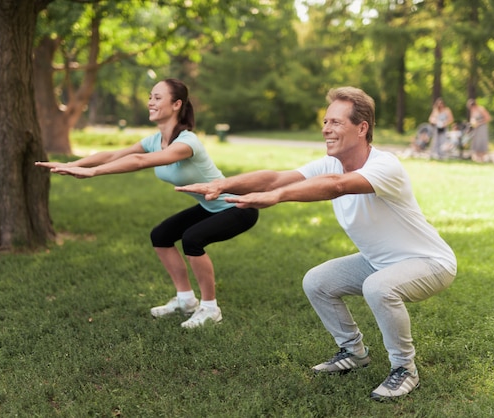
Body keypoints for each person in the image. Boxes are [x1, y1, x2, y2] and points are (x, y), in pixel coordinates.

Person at [177, 87, 457, 400]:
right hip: (379, 261)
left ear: (362, 127)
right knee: (317, 281)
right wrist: (222, 183)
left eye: (335, 122)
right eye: (325, 121)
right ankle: (353, 352)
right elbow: (276, 179)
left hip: (430, 262)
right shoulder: (330, 164)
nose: (325, 128)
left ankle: (405, 369)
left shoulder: (384, 166)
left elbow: (336, 187)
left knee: (378, 287)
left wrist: (279, 197)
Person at [35, 78, 259, 328]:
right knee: (161, 236)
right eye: (150, 97)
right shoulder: (155, 140)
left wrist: (95, 173)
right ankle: (186, 301)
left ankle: (210, 308)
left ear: (176, 104)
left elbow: (141, 161)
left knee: (192, 239)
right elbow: (113, 154)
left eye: (157, 98)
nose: (150, 102)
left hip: (238, 207)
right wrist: (72, 165)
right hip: (210, 205)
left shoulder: (186, 143)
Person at [467, 98, 492, 163]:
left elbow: (488, 118)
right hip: (476, 128)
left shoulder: (481, 109)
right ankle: (477, 158)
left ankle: (482, 158)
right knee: (476, 141)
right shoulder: (472, 111)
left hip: (482, 127)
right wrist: (473, 122)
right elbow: (472, 119)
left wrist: (479, 122)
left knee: (482, 141)